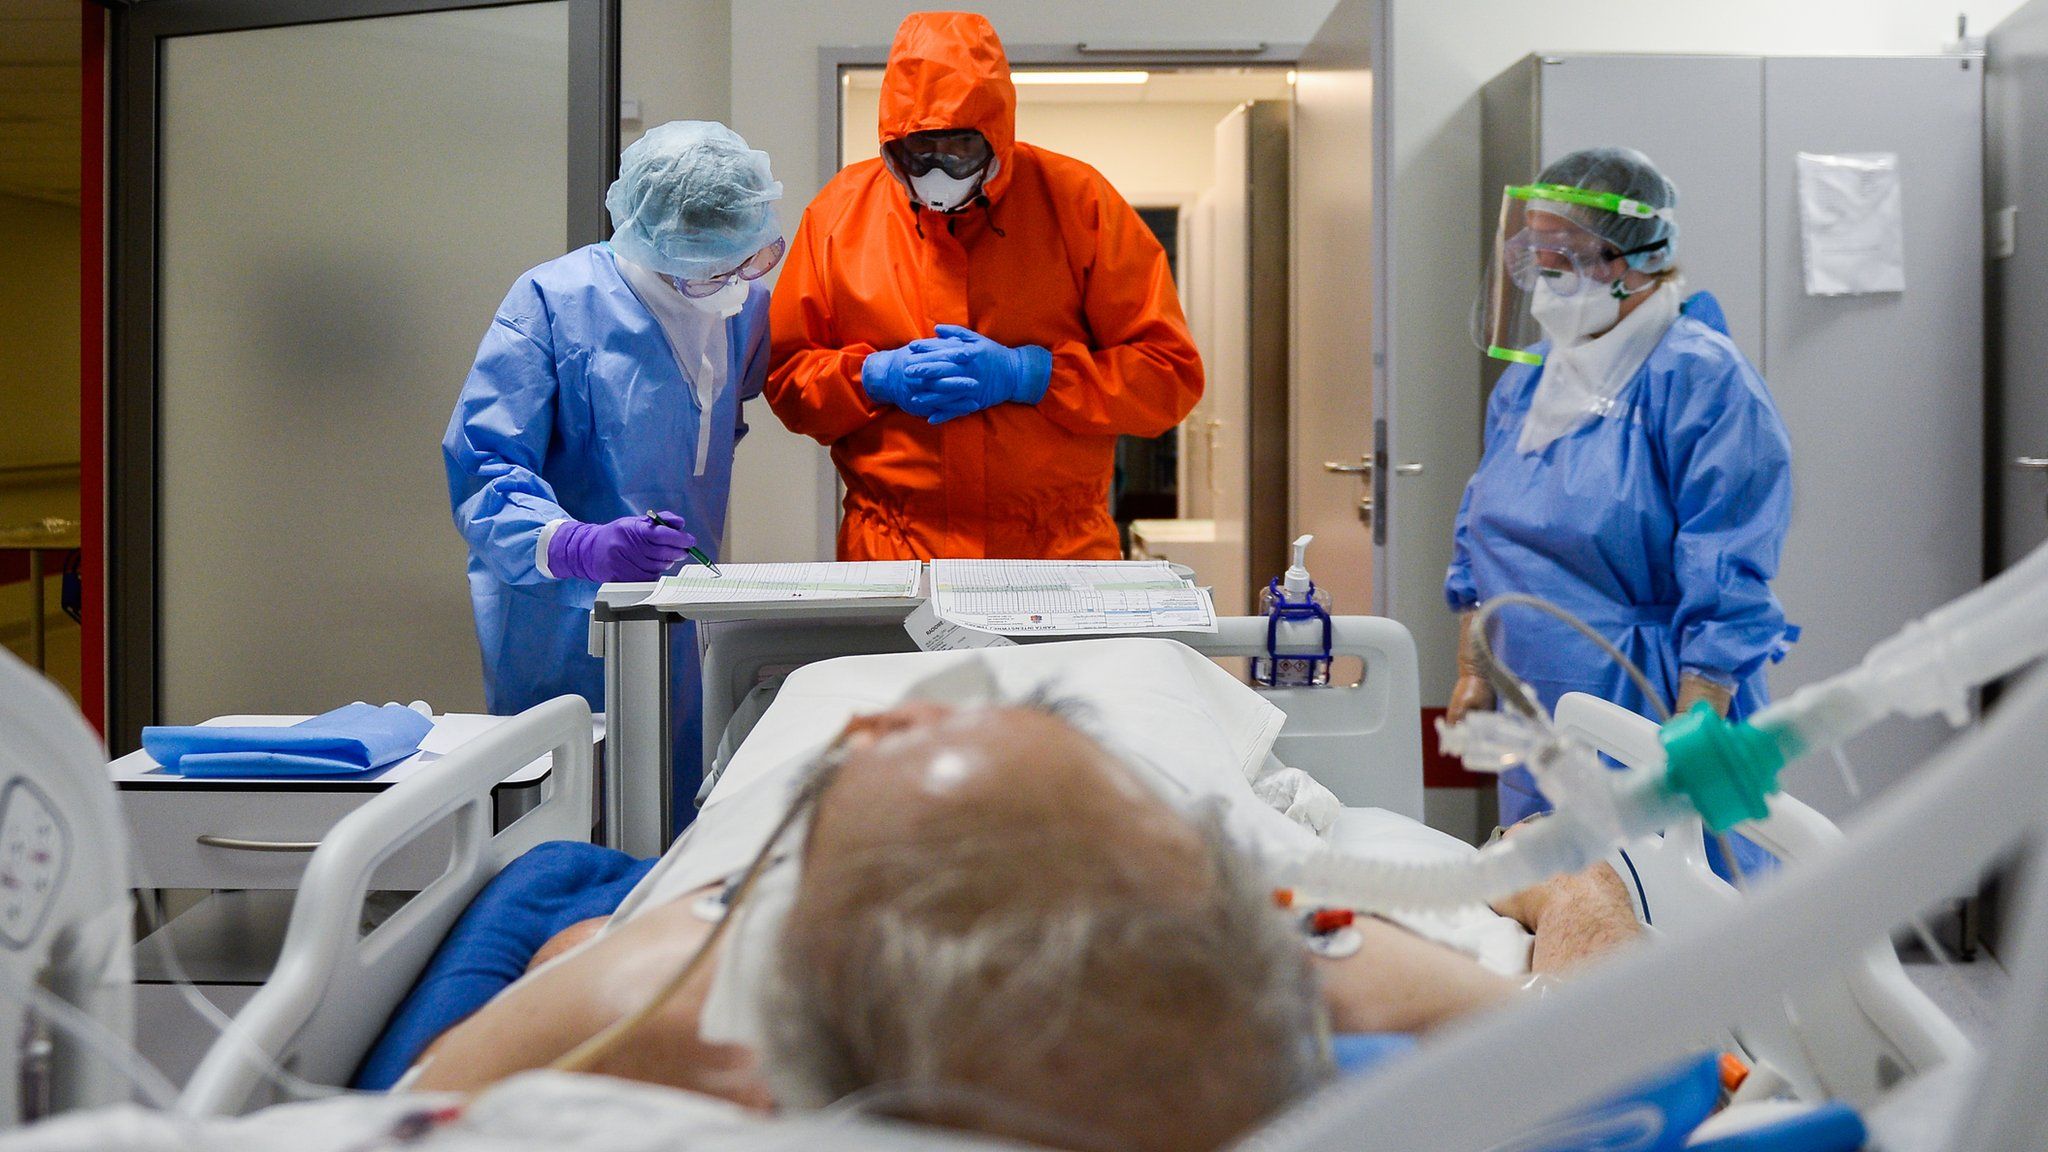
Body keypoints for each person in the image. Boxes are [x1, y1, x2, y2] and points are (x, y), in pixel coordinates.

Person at [410, 692, 1641, 1152]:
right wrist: (1574, 893)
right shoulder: (1303, 971)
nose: (893, 711)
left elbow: (423, 1100)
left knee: (576, 940)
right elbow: (1619, 1023)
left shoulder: (664, 993)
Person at [1448, 147, 1795, 873]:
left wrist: (1696, 723)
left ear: (1639, 259)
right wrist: (1474, 668)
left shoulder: (1698, 378)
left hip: (1648, 700)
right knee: (1559, 899)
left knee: (1667, 899)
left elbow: (1727, 562)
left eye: (1567, 254)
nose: (1545, 273)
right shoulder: (1530, 384)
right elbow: (1479, 530)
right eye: (1535, 252)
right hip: (1537, 701)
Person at [765, 11, 1204, 561]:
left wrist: (1033, 375)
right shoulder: (840, 214)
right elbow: (786, 378)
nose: (938, 170)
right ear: (891, 143)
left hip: (1057, 553)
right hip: (893, 550)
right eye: (919, 151)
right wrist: (873, 378)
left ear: (997, 134)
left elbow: (1167, 378)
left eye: (960, 150)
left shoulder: (1078, 203)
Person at [444, 121, 784, 818]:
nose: (730, 282)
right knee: (565, 812)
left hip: (678, 611)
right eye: (708, 266)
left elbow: (712, 420)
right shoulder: (554, 302)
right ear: (653, 237)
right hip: (560, 618)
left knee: (672, 800)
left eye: (745, 260)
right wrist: (577, 544)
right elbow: (484, 464)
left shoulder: (743, 308)